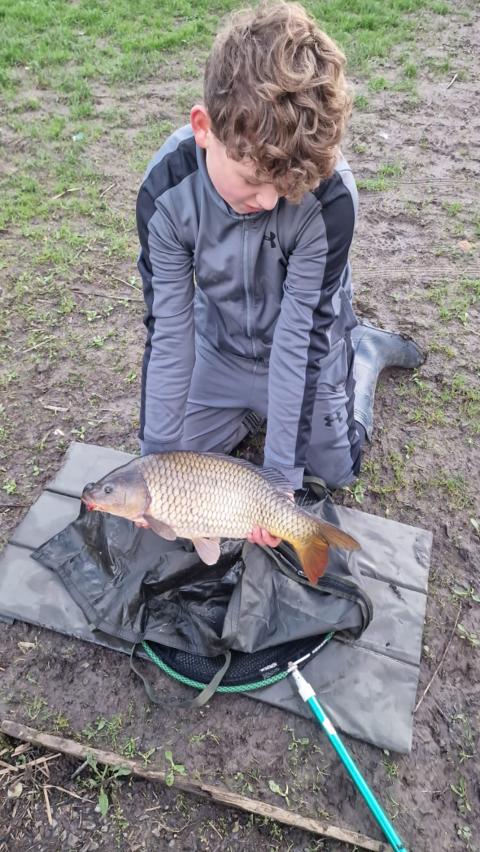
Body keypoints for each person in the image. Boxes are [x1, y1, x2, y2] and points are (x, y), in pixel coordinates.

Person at [135, 1, 423, 547]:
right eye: (252, 180)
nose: (269, 201)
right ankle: (248, 410)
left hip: (302, 348)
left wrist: (281, 481)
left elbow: (298, 342)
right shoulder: (165, 190)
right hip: (219, 350)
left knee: (335, 472)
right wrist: (154, 468)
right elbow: (170, 332)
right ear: (204, 127)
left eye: (286, 186)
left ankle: (362, 355)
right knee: (179, 461)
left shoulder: (331, 200)